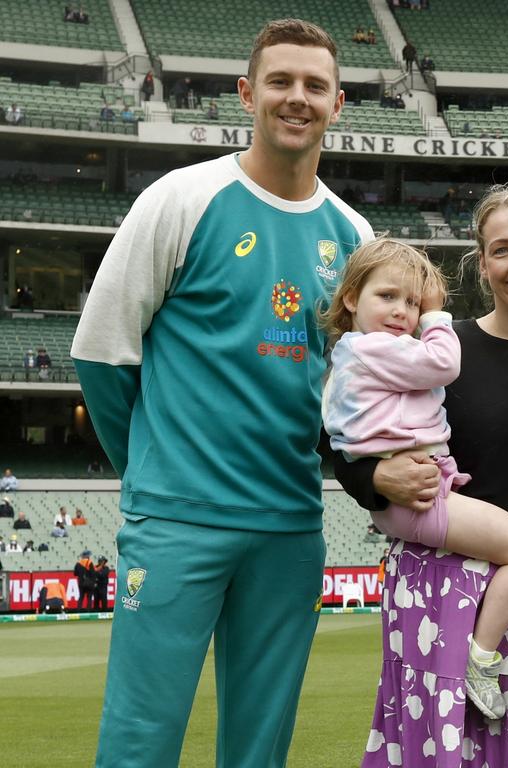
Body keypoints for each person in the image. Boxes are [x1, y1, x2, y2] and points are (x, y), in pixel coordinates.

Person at [71, 19, 374, 768]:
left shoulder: (354, 234)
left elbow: (354, 391)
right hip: (178, 519)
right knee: (141, 738)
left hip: (289, 525)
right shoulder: (182, 198)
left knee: (259, 748)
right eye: (280, 81)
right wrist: (153, 469)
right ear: (247, 93)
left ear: (339, 104)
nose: (296, 98)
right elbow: (104, 355)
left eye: (314, 86)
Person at [336, 185, 508, 767]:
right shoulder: (438, 346)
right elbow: (335, 432)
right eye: (502, 249)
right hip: (443, 579)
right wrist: (375, 478)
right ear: (481, 263)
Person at [321, 238, 508, 719]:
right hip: (414, 498)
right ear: (351, 299)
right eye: (388, 297)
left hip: (413, 491)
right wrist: (436, 316)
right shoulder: (372, 348)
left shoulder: (352, 354)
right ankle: (480, 659)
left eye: (411, 301)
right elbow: (444, 364)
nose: (402, 311)